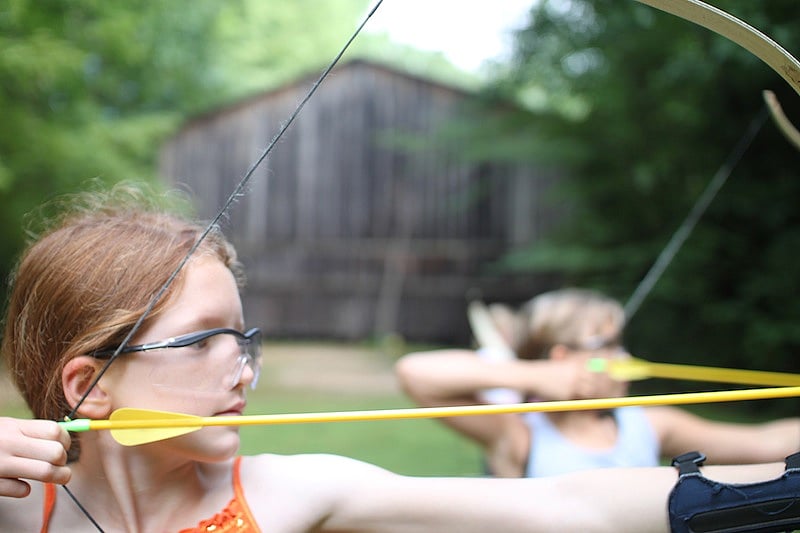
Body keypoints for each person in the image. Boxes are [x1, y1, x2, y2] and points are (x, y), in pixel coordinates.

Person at [0, 184, 798, 532]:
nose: (241, 369)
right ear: (89, 386)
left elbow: (569, 507)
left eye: (244, 340)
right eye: (204, 339)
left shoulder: (285, 492)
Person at [396, 288, 800, 478]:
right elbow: (415, 373)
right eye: (606, 345)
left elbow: (762, 444)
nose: (622, 357)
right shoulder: (517, 434)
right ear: (561, 357)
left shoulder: (647, 424)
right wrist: (539, 377)